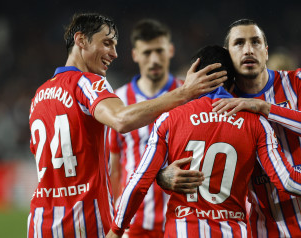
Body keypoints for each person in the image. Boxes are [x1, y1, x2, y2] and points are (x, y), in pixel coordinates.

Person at [106, 45, 301, 238]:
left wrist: (116, 230)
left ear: (193, 75)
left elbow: (138, 182)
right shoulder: (256, 123)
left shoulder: (169, 120)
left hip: (183, 227)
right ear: (233, 81)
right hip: (231, 228)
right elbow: (285, 180)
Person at [27, 12, 226, 238]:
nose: (114, 53)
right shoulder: (87, 83)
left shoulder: (40, 95)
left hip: (41, 222)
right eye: (107, 43)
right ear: (81, 40)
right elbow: (121, 119)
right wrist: (184, 93)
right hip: (84, 220)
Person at [108, 19, 182, 238]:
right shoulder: (118, 101)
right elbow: (114, 166)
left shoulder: (188, 96)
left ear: (170, 50)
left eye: (159, 51)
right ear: (135, 55)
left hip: (179, 216)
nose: (154, 59)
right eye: (147, 52)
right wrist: (115, 213)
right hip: (135, 221)